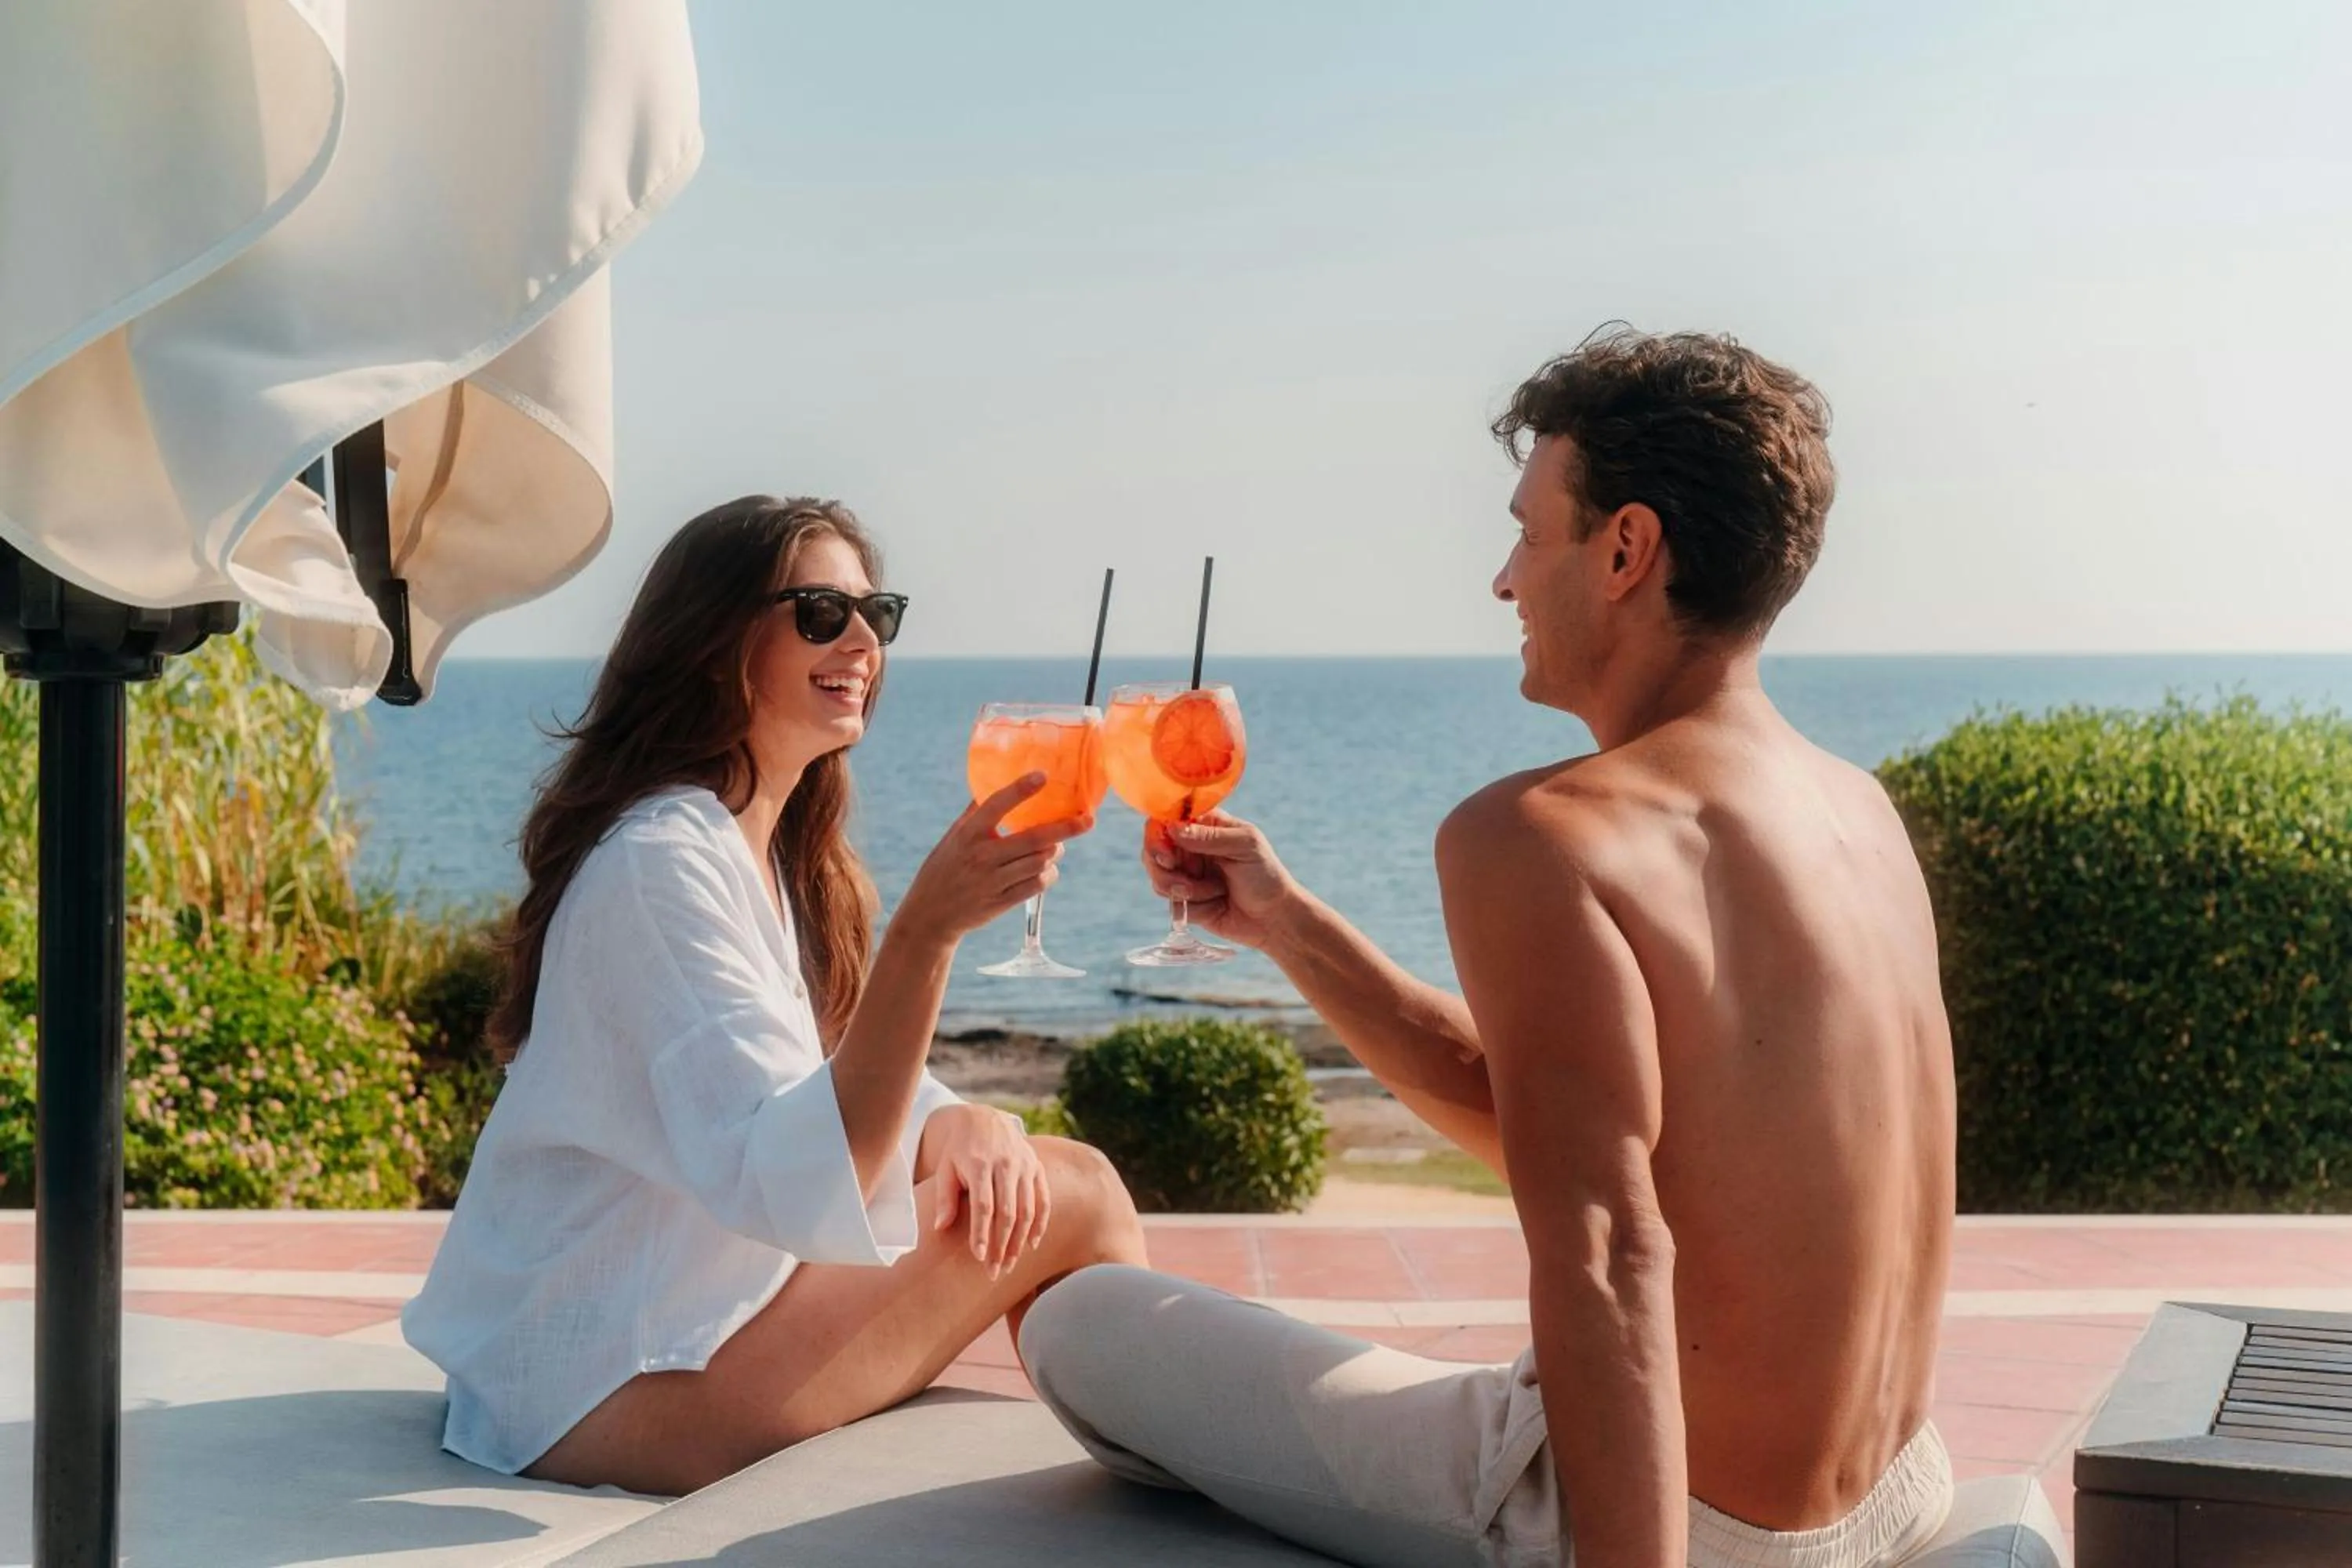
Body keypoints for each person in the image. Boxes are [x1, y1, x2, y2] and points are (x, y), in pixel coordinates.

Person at [1021, 329, 1958, 1568]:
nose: (1505, 581)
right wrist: (1288, 921)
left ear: (1625, 549)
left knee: (1082, 1321)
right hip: (1898, 1487)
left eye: (1528, 531)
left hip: (1674, 1525)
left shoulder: (1544, 833)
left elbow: (1608, 1248)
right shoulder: (1859, 811)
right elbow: (1563, 1116)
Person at [402, 495, 1147, 1497]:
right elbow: (797, 1179)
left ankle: (1161, 1461)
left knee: (1031, 1174)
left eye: (873, 614)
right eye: (816, 612)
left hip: (665, 1337)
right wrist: (927, 933)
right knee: (1080, 1191)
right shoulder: (662, 861)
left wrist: (953, 1120)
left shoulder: (758, 849)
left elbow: (797, 1081)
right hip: (611, 1381)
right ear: (714, 641)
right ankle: (1185, 1465)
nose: (858, 642)